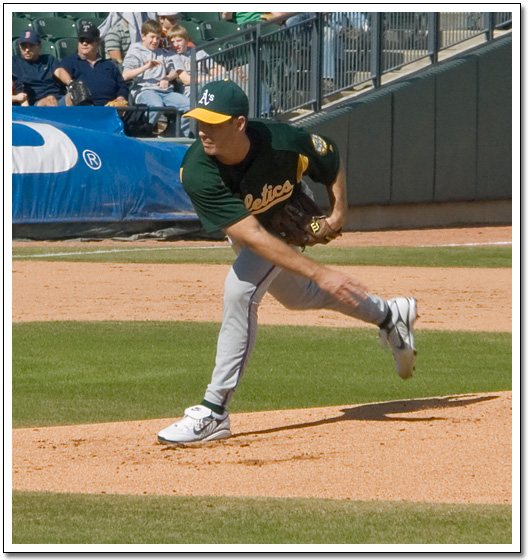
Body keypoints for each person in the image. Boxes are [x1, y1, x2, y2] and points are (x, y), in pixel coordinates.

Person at [157, 80, 418, 446]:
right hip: (253, 230)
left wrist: (338, 213)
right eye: (199, 120)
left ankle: (214, 410)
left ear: (239, 123)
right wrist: (320, 273)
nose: (202, 130)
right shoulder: (198, 170)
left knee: (240, 293)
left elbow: (330, 157)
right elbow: (251, 235)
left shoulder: (282, 140)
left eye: (213, 122)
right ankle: (389, 314)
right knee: (300, 296)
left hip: (285, 217)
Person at [122, 19, 190, 131]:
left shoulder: (162, 52)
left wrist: (167, 78)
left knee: (190, 105)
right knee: (156, 106)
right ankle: (142, 131)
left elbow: (174, 71)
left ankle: (178, 135)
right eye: (152, 37)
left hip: (165, 92)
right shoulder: (135, 51)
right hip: (144, 90)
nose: (155, 41)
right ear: (143, 37)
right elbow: (125, 75)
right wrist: (145, 67)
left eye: (158, 38)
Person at [59, 22, 129, 106]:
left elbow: (122, 85)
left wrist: (121, 97)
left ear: (98, 42)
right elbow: (59, 75)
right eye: (81, 40)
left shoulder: (109, 65)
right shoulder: (69, 61)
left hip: (110, 108)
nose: (84, 43)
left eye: (89, 40)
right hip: (83, 108)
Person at [12, 29, 72, 106]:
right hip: (35, 103)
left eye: (31, 46)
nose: (27, 50)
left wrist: (70, 83)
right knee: (49, 101)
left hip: (58, 99)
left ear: (39, 46)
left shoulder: (49, 59)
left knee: (75, 96)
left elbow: (59, 71)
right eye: (24, 46)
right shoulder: (14, 62)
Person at [167, 25, 225, 96]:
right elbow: (186, 80)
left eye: (179, 41)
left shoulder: (198, 51)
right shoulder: (173, 55)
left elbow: (213, 69)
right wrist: (212, 79)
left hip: (207, 83)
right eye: (172, 42)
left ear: (187, 40)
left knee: (226, 82)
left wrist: (219, 76)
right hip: (191, 89)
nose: (176, 45)